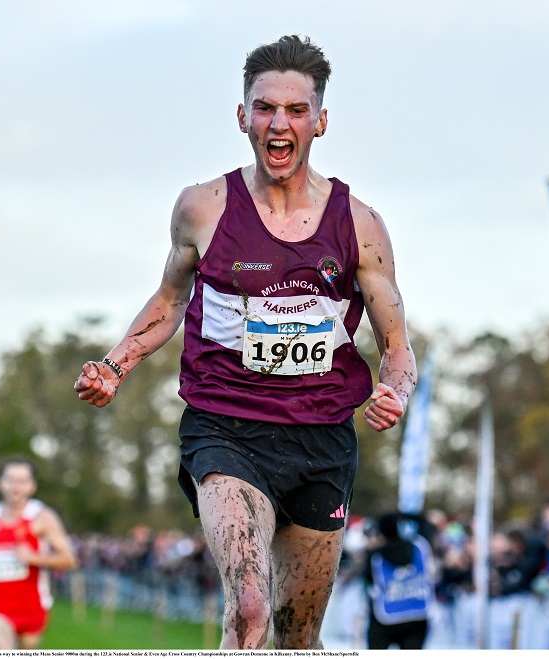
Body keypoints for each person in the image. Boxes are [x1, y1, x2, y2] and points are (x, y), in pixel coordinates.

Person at [74, 34, 416, 649]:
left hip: (321, 440)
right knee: (250, 609)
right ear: (242, 117)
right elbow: (170, 299)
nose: (279, 124)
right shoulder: (202, 208)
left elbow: (397, 347)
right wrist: (115, 364)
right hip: (226, 430)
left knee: (298, 638)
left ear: (320, 122)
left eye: (295, 110)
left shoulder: (360, 225)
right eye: (265, 108)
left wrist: (396, 392)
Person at [0, 457, 78, 649]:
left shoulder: (42, 517)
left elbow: (69, 559)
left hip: (32, 606)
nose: (15, 487)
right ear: (0, 483)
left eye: (22, 481)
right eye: (10, 480)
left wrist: (34, 558)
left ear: (32, 487)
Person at [363, 513, 435, 649]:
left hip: (385, 618)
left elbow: (369, 582)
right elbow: (426, 524)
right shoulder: (420, 546)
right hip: (417, 616)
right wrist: (403, 514)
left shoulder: (375, 556)